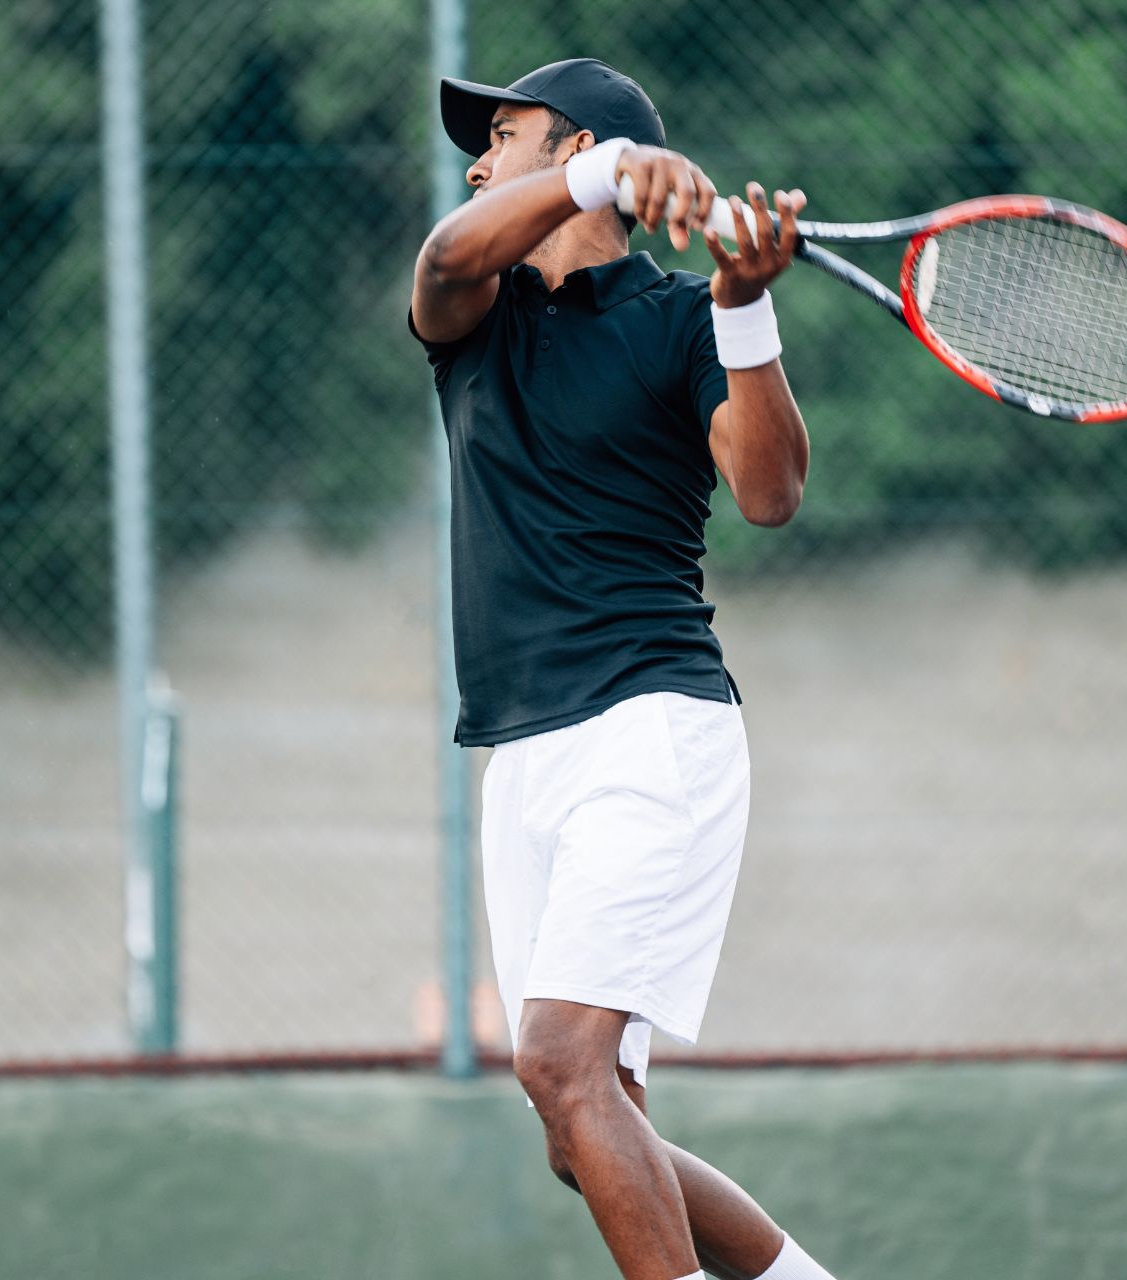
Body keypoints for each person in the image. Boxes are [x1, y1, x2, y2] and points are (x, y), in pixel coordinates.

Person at [408, 57, 838, 1280]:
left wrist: (745, 303)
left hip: (653, 731)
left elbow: (771, 491)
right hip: (522, 753)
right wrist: (594, 174)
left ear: (578, 139)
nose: (479, 163)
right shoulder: (474, 314)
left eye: (505, 136)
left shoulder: (681, 323)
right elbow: (444, 259)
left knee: (560, 1063)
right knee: (580, 1124)